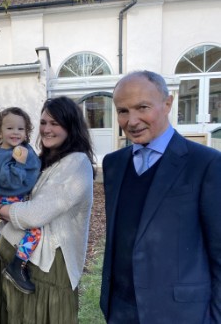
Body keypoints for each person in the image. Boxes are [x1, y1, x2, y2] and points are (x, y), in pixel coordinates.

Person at [100, 70, 221, 324]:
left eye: (142, 107)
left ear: (168, 103)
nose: (132, 121)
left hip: (179, 314)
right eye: (123, 111)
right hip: (120, 309)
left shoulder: (206, 164)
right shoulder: (113, 164)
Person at [0, 96, 95, 323]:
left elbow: (33, 215)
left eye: (55, 123)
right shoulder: (42, 159)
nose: (47, 129)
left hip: (45, 269)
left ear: (71, 126)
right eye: (44, 122)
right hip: (12, 257)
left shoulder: (76, 164)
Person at [0, 107, 41, 294]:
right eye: (9, 128)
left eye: (20, 129)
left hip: (17, 197)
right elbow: (7, 181)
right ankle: (17, 265)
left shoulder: (21, 149)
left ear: (27, 132)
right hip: (9, 199)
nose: (15, 132)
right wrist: (19, 163)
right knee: (34, 231)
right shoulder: (4, 155)